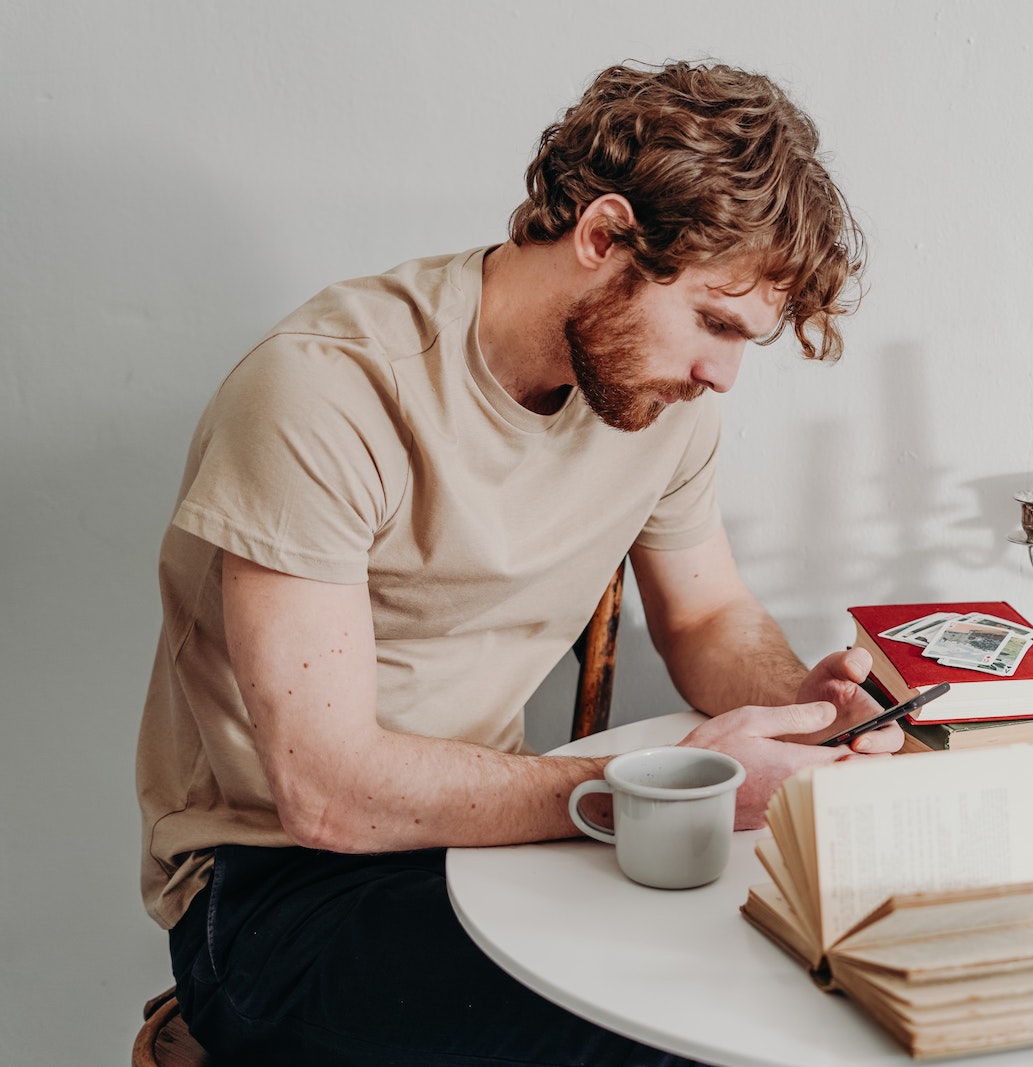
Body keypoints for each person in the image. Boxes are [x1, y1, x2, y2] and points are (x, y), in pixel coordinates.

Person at [135, 60, 898, 1066]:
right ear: (602, 237)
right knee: (666, 1047)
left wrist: (803, 706)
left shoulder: (660, 407)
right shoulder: (326, 390)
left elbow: (709, 617)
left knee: (823, 991)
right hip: (275, 886)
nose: (722, 373)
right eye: (714, 322)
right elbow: (328, 792)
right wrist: (651, 788)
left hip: (499, 848)